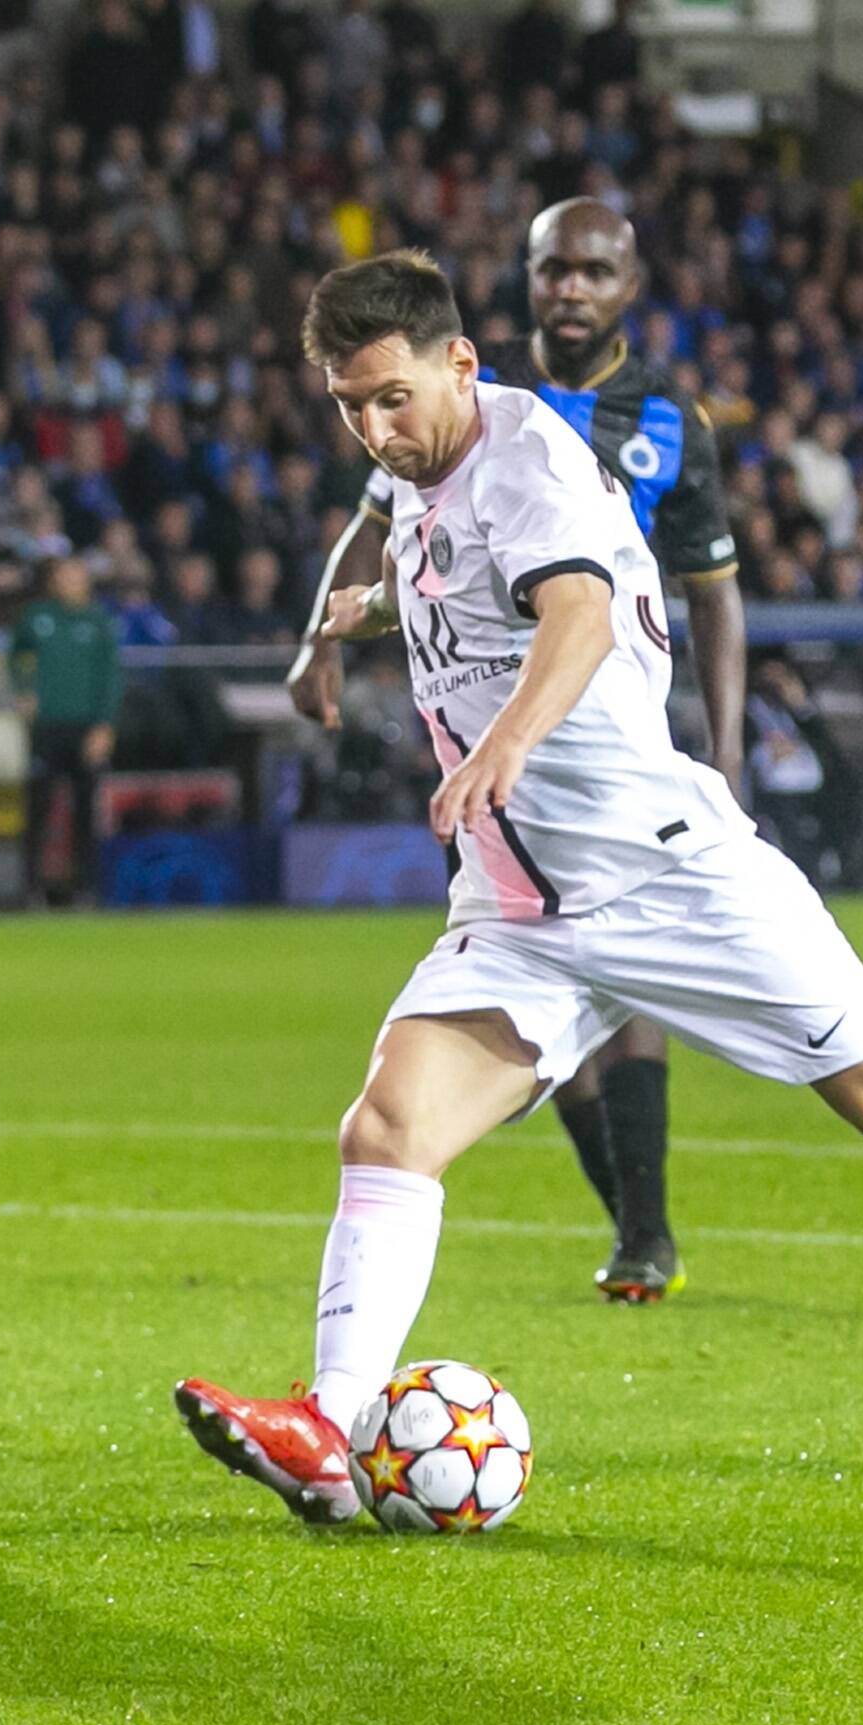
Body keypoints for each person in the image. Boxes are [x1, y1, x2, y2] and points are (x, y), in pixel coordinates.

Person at [175, 252, 863, 1527]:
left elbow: (575, 610)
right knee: (387, 1129)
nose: (375, 428)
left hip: (668, 875)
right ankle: (328, 1424)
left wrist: (506, 743)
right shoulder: (424, 472)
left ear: (463, 363)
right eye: (349, 405)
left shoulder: (526, 459)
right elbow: (446, 595)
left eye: (392, 398)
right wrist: (343, 624)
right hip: (524, 915)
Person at [290, 199, 745, 1303]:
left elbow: (716, 595)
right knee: (544, 984)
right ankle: (633, 1220)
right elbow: (373, 520)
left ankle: (646, 1228)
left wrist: (725, 746)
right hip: (474, 724)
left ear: (629, 285)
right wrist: (321, 636)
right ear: (531, 280)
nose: (571, 289)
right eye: (553, 270)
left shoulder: (669, 419)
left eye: (594, 271)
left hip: (601, 721)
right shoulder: (448, 404)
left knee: (622, 975)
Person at [8, 554, 120, 907]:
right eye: (64, 575)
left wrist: (104, 724)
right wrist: (23, 689)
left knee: (86, 811)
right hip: (46, 727)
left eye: (76, 575)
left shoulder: (98, 622)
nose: (70, 582)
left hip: (85, 727)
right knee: (37, 807)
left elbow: (110, 677)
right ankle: (31, 889)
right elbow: (15, 656)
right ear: (53, 580)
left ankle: (84, 888)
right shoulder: (37, 617)